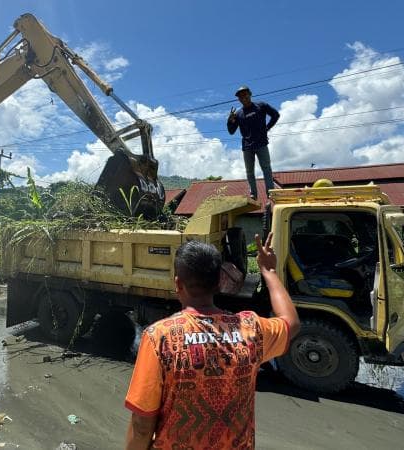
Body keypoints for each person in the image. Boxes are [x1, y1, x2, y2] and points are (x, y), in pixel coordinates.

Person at [124, 235, 300, 450]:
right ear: (220, 283)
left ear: (178, 283)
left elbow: (142, 425)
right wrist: (269, 271)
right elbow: (291, 323)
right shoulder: (251, 329)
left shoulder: (160, 337)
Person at [227, 86, 280, 200]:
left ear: (250, 94)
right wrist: (230, 120)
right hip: (247, 147)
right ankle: (253, 195)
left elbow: (276, 115)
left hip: (261, 144)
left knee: (266, 168)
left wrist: (267, 128)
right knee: (249, 172)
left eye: (245, 94)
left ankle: (270, 193)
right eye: (240, 96)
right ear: (238, 99)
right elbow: (231, 131)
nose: (243, 97)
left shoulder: (261, 106)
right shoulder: (238, 114)